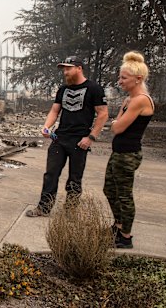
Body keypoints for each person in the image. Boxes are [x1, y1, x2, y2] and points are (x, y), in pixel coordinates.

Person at [26, 56, 108, 217]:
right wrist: (46, 127)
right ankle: (44, 207)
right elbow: (55, 110)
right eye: (63, 69)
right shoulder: (63, 89)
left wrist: (91, 137)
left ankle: (70, 211)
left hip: (80, 140)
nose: (65, 72)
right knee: (51, 174)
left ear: (79, 68)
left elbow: (103, 114)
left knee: (74, 178)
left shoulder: (94, 89)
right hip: (59, 138)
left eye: (68, 68)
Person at [104, 51, 154, 249]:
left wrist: (116, 123)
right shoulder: (128, 101)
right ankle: (118, 225)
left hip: (128, 154)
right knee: (109, 189)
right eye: (120, 77)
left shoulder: (141, 100)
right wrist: (116, 123)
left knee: (124, 194)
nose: (120, 81)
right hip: (118, 152)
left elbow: (117, 127)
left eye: (124, 78)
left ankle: (126, 236)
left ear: (138, 79)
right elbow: (115, 124)